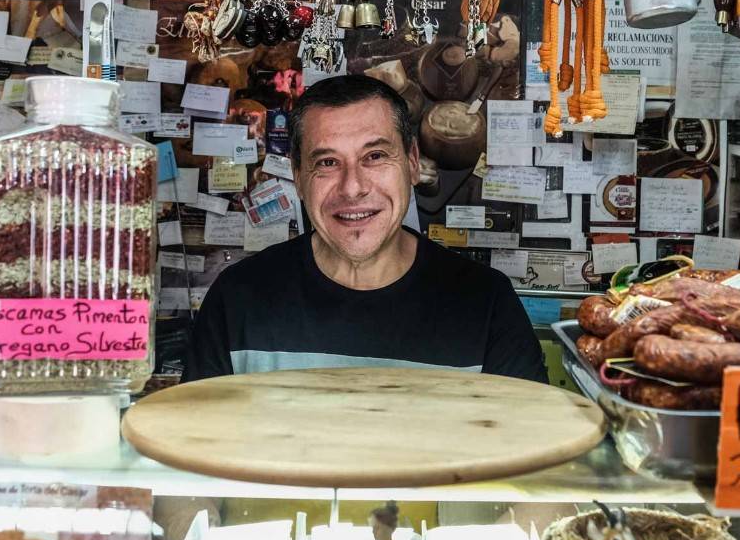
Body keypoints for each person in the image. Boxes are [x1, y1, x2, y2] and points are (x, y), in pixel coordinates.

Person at [185, 74, 548, 382]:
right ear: (298, 178)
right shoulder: (237, 300)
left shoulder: (486, 304)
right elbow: (193, 451)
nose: (352, 187)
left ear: (412, 163)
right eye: (327, 162)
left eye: (375, 156)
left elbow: (532, 455)